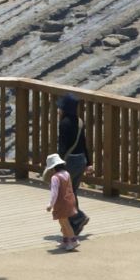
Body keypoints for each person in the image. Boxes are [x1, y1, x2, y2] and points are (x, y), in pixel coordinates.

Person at [58, 94, 91, 235]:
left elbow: (63, 146)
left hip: (70, 161)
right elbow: (84, 143)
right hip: (81, 160)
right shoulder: (79, 121)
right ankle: (74, 224)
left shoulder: (64, 123)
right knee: (73, 191)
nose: (58, 110)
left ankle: (78, 217)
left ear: (65, 109)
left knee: (66, 193)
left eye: (60, 107)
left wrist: (58, 164)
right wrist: (89, 163)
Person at [44, 153, 80, 251]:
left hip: (61, 203)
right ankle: (65, 240)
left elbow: (54, 193)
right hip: (70, 200)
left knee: (65, 222)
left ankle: (73, 240)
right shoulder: (66, 173)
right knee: (62, 221)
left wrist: (50, 205)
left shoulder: (55, 178)